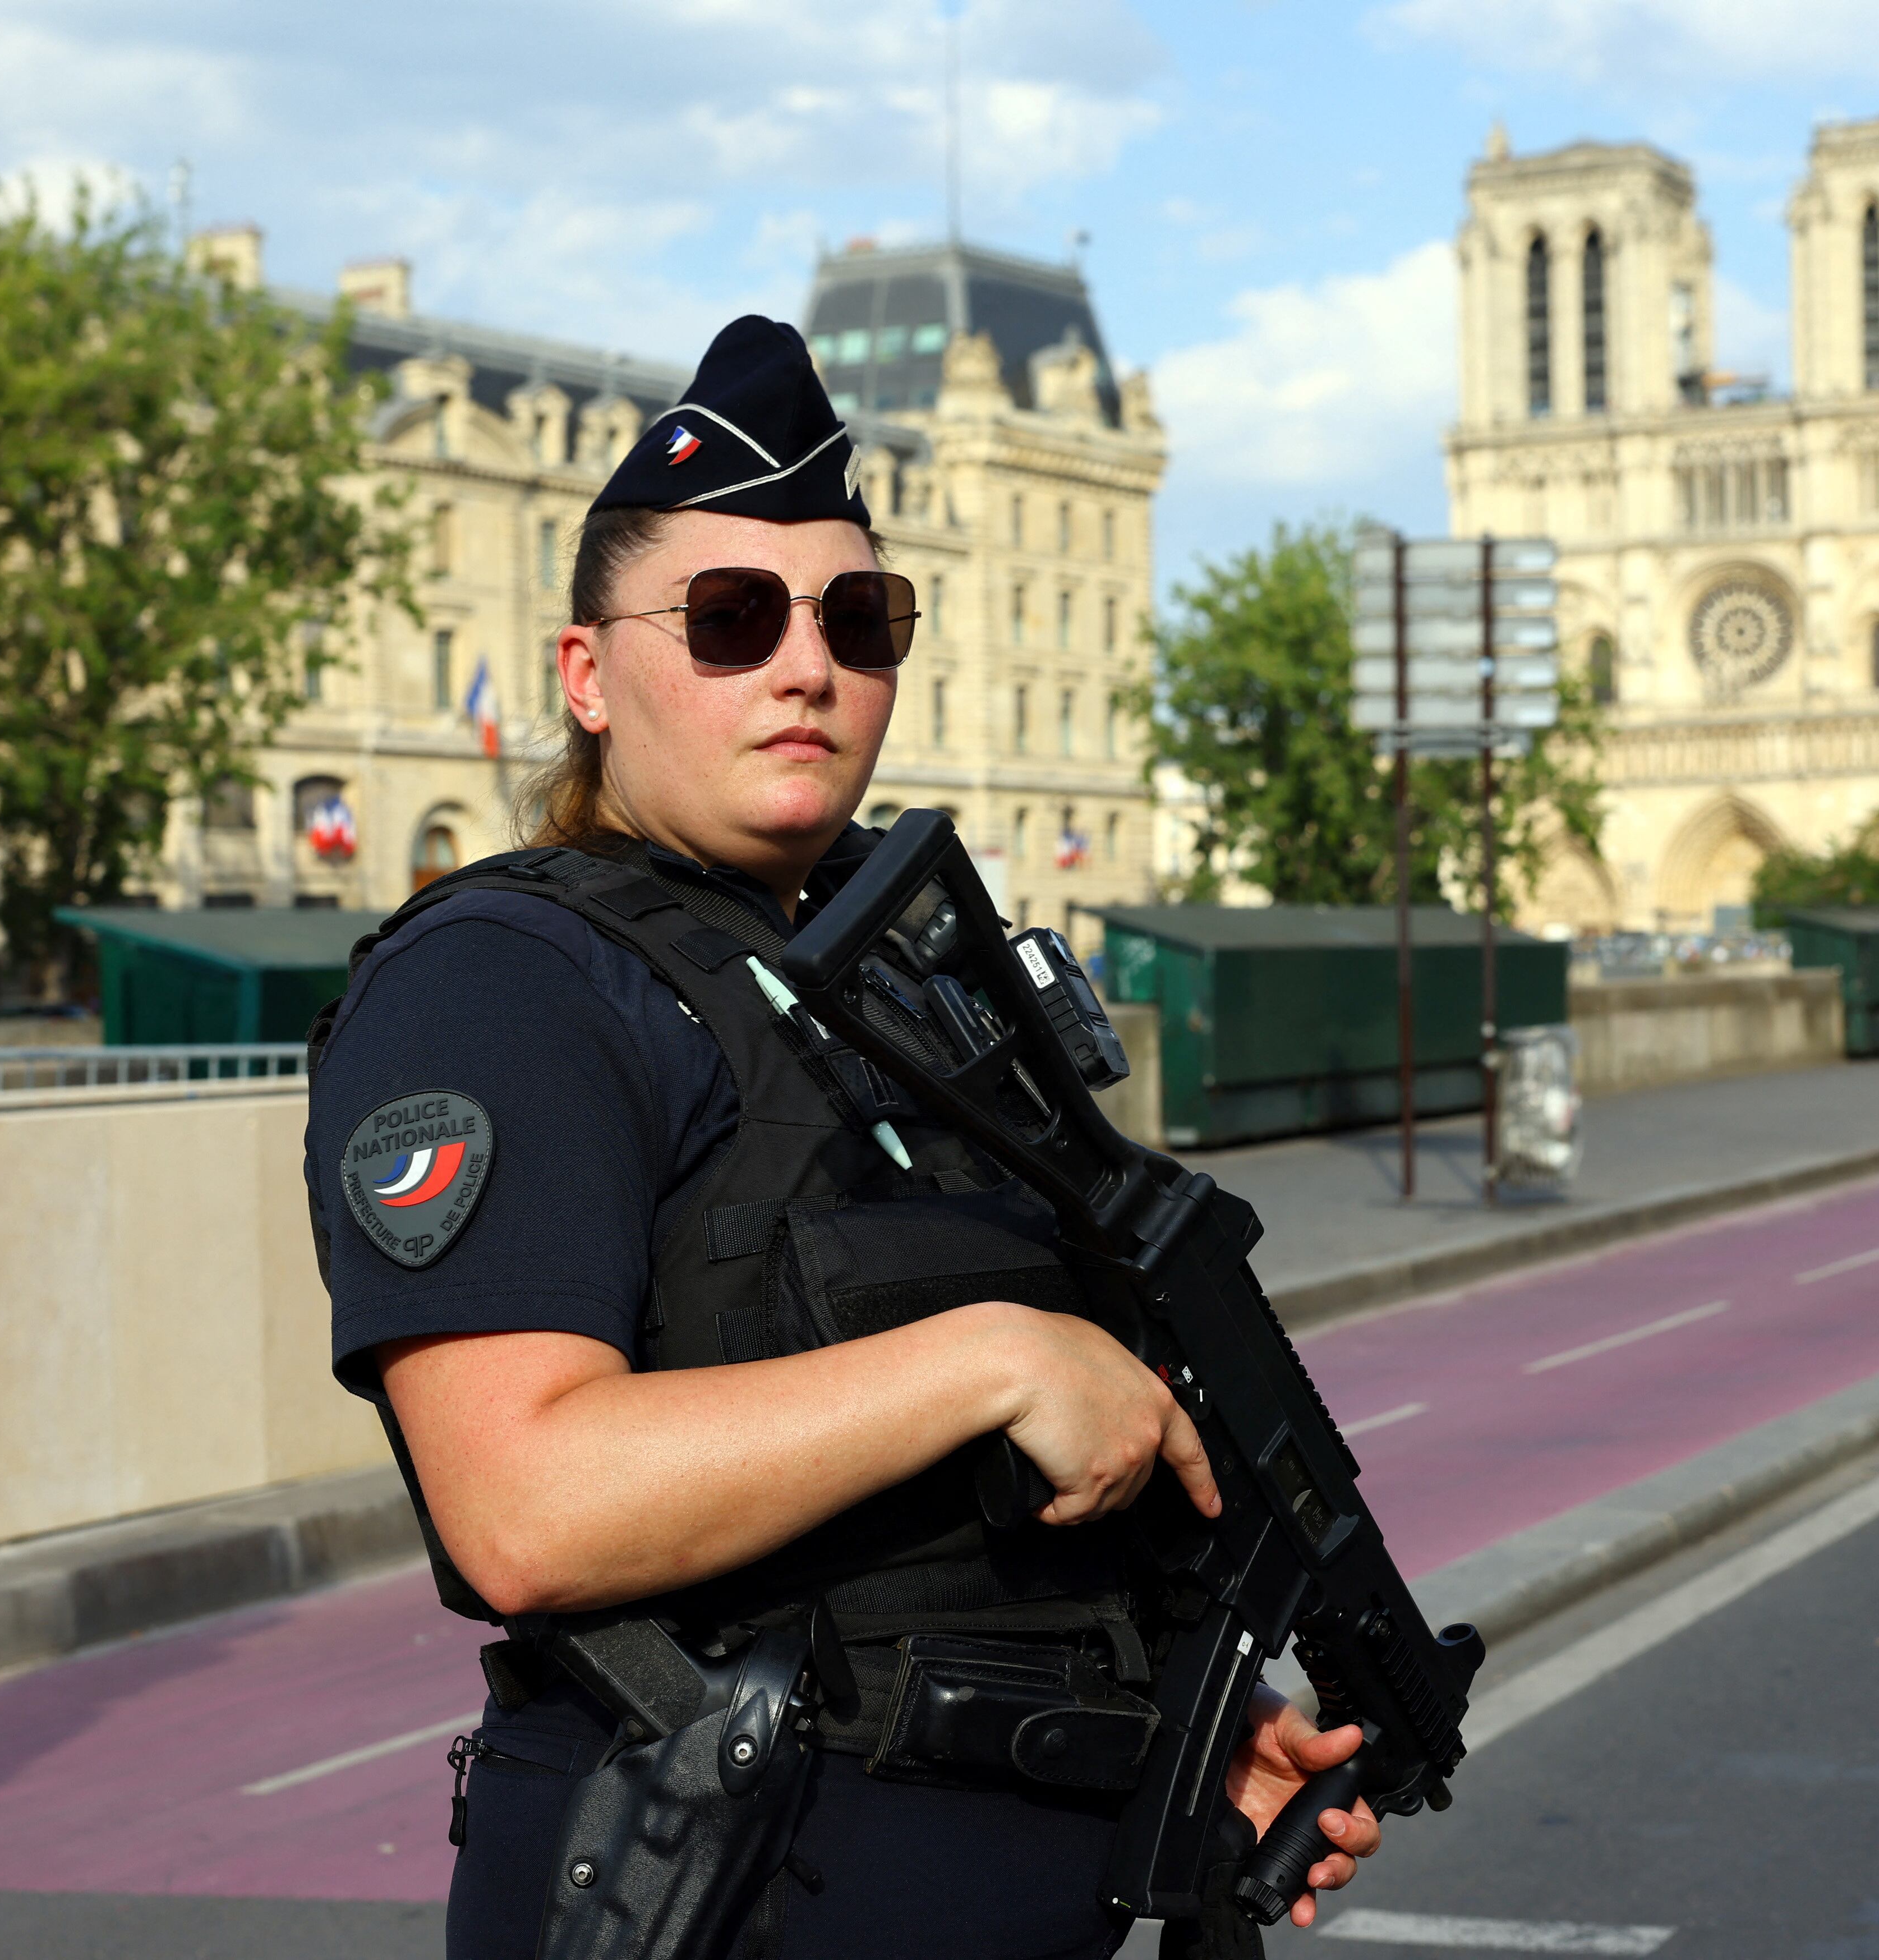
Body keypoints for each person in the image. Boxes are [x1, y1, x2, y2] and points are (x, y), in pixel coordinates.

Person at [305, 315, 1380, 1960]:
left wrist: (1176, 1731)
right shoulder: (504, 984)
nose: (805, 663)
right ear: (589, 674)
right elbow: (525, 1505)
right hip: (723, 1901)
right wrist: (991, 1360)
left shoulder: (919, 982)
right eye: (730, 620)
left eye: (857, 619)